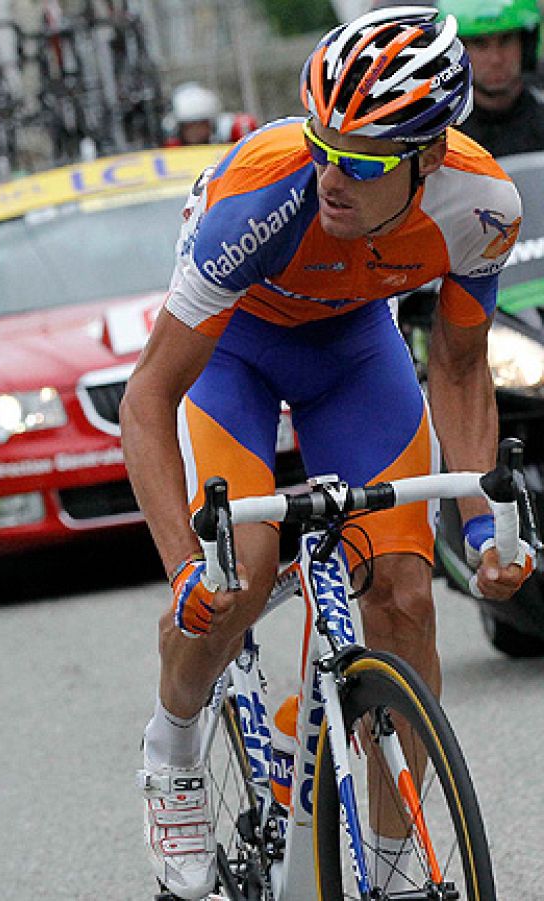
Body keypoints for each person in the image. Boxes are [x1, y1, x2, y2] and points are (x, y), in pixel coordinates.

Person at [119, 9, 531, 899]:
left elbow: (459, 369)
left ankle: (389, 865)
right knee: (244, 568)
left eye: (365, 158)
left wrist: (483, 523)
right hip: (233, 347)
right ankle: (174, 748)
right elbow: (146, 401)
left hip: (352, 348)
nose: (332, 172)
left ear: (429, 155)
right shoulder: (266, 195)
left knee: (408, 593)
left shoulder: (483, 205)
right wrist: (187, 569)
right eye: (322, 141)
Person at [441, 0, 544, 157]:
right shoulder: (440, 138)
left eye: (506, 40)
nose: (496, 59)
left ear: (526, 45)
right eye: (480, 43)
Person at [165, 82, 259, 147]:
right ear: (179, 128)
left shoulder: (227, 147)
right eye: (190, 126)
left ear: (212, 125)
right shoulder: (169, 151)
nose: (196, 131)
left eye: (202, 124)